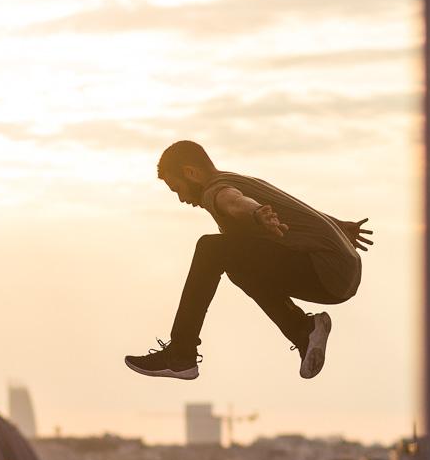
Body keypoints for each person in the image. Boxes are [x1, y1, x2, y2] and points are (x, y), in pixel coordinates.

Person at [125, 140, 372, 380]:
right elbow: (294, 207)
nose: (181, 199)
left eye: (177, 188)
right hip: (339, 272)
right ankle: (302, 331)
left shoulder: (215, 190)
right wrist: (338, 226)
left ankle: (181, 353)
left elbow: (233, 202)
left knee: (210, 249)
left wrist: (255, 214)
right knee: (238, 266)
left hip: (324, 270)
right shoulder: (242, 180)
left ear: (191, 173)